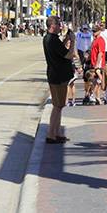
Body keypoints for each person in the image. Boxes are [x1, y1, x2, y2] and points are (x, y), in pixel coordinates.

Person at [42, 16, 76, 144]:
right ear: (53, 26)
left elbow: (59, 51)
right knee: (58, 105)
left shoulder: (49, 39)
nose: (60, 27)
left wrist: (66, 39)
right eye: (58, 25)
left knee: (59, 105)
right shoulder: (53, 40)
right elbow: (68, 55)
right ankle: (51, 134)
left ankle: (56, 132)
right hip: (59, 76)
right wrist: (72, 42)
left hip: (54, 74)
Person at [89, 25, 106, 104]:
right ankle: (97, 97)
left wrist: (97, 64)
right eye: (93, 31)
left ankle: (106, 92)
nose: (93, 33)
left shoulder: (100, 40)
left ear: (99, 31)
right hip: (93, 63)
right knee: (96, 81)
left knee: (99, 79)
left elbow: (100, 53)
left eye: (95, 31)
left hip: (98, 63)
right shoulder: (95, 40)